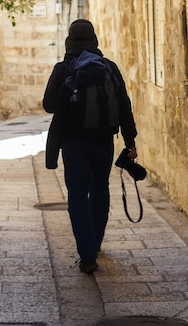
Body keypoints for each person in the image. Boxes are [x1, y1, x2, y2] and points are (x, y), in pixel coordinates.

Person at [42, 19, 138, 274]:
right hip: (103, 142)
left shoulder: (64, 69)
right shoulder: (109, 67)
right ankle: (94, 244)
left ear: (69, 42)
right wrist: (131, 142)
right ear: (94, 41)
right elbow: (124, 106)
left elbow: (49, 105)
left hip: (74, 145)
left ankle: (87, 256)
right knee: (100, 189)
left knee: (77, 195)